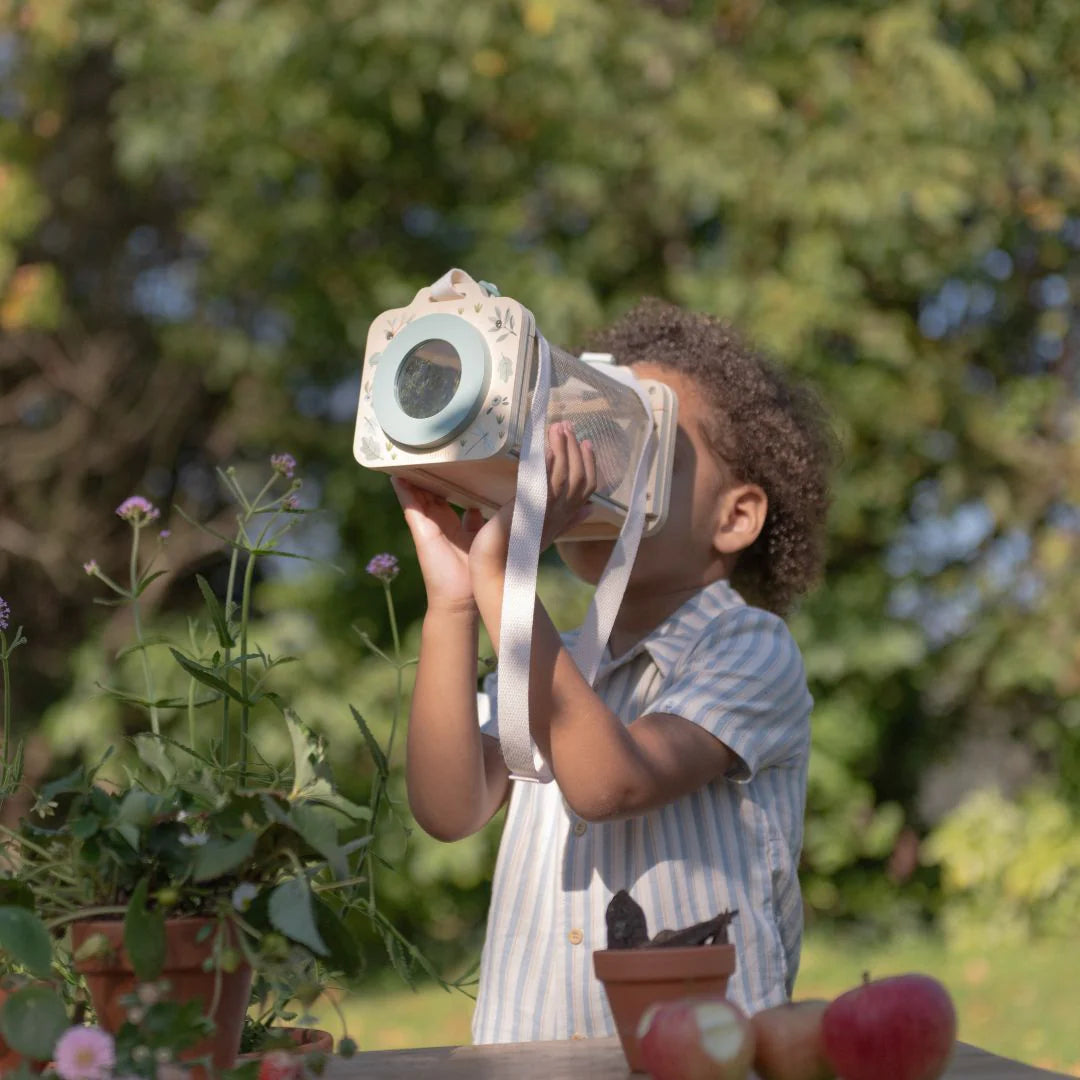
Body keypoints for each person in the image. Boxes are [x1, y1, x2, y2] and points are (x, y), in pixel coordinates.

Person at [392, 298, 834, 1043]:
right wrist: (457, 603)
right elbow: (449, 808)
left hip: (705, 1054)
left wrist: (509, 575)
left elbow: (611, 783)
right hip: (530, 1052)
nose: (598, 461)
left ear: (735, 517)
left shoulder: (749, 648)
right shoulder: (552, 653)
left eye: (642, 442)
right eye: (590, 429)